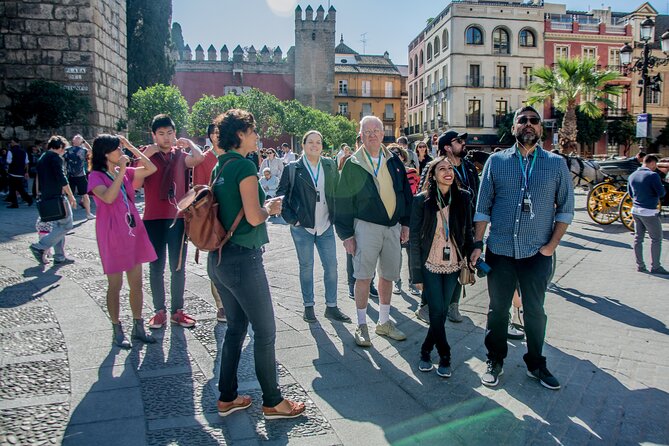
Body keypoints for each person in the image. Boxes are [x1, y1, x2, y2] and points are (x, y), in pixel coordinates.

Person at [208, 109, 305, 419]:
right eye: (252, 131)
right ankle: (273, 402)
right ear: (239, 135)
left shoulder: (219, 167)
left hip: (219, 260)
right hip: (243, 261)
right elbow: (253, 216)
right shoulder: (245, 168)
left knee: (235, 329)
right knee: (265, 331)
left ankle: (227, 396)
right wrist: (271, 208)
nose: (256, 136)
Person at [471, 106, 574, 390]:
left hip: (537, 252)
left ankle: (536, 363)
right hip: (500, 250)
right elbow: (483, 207)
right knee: (498, 310)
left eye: (534, 120)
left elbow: (566, 210)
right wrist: (478, 244)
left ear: (541, 128)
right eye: (522, 120)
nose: (528, 124)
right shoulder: (496, 161)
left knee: (535, 311)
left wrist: (551, 247)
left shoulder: (556, 164)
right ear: (514, 127)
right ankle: (495, 359)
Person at [335, 116, 413, 347]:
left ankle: (384, 322)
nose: (372, 134)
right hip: (365, 227)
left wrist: (406, 223)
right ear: (360, 135)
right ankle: (361, 326)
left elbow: (405, 194)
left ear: (382, 134)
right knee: (363, 277)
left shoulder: (394, 161)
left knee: (388, 276)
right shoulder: (353, 163)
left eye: (376, 130)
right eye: (367, 131)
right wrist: (346, 235)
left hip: (392, 227)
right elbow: (343, 201)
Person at [88, 134, 158, 348]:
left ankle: (138, 325)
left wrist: (131, 147)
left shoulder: (124, 171)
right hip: (111, 233)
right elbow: (108, 197)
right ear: (105, 154)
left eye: (121, 148)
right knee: (115, 284)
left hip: (132, 231)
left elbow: (150, 169)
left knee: (136, 283)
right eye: (117, 149)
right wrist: (119, 172)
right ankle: (117, 327)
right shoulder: (96, 176)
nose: (121, 152)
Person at [277, 130, 351, 324]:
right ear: (303, 145)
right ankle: (308, 306)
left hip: (325, 225)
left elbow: (336, 190)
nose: (315, 145)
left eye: (318, 142)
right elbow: (280, 196)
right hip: (303, 228)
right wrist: (293, 220)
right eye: (311, 142)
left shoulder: (329, 164)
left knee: (332, 267)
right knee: (306, 267)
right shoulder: (293, 168)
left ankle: (332, 306)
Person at [410, 157, 473, 377]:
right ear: (433, 175)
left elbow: (467, 231)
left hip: (454, 263)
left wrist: (473, 251)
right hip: (430, 263)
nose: (447, 172)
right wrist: (415, 275)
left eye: (450, 168)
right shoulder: (421, 201)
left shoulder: (463, 198)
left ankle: (426, 349)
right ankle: (445, 354)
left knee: (442, 311)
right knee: (436, 310)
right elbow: (414, 241)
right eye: (442, 168)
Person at [142, 114, 204, 330]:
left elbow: (198, 159)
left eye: (170, 133)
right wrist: (146, 155)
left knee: (177, 267)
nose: (166, 138)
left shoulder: (179, 155)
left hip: (177, 218)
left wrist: (191, 144)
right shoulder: (147, 155)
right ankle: (159, 311)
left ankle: (178, 310)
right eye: (161, 134)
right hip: (153, 219)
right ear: (153, 135)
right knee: (156, 267)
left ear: (175, 134)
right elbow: (135, 182)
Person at [438, 130, 480, 323]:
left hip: (468, 226)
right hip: (445, 227)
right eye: (459, 141)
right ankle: (430, 303)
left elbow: (479, 195)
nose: (464, 143)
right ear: (447, 147)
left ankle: (453, 305)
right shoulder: (437, 167)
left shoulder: (469, 167)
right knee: (441, 266)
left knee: (461, 265)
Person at [192, 123, 227, 323]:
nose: (218, 136)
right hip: (214, 217)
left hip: (231, 216)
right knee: (216, 262)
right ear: (210, 136)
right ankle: (221, 305)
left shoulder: (234, 155)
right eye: (215, 133)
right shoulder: (205, 160)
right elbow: (198, 191)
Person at [29, 136, 77, 265]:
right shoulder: (55, 158)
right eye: (64, 149)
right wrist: (71, 196)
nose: (64, 151)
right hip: (57, 197)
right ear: (60, 147)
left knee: (58, 226)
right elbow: (62, 179)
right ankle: (40, 246)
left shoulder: (42, 157)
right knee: (67, 225)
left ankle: (59, 256)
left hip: (47, 197)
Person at [388, 144, 421, 297]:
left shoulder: (412, 173)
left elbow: (414, 193)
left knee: (411, 251)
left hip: (411, 216)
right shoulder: (386, 175)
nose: (395, 156)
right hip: (395, 217)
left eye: (397, 153)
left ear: (403, 156)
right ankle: (397, 281)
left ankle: (413, 282)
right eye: (391, 153)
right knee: (396, 253)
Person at [628, 154, 668, 275]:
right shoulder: (653, 175)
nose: (655, 167)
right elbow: (661, 193)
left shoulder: (632, 175)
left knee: (638, 239)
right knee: (656, 239)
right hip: (649, 212)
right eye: (655, 165)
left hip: (635, 210)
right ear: (651, 163)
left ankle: (640, 265)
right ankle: (656, 266)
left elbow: (630, 194)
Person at [65, 135, 95, 218]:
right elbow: (91, 151)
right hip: (76, 175)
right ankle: (86, 214)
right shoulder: (73, 150)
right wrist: (85, 142)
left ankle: (86, 213)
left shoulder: (70, 150)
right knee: (80, 195)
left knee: (79, 195)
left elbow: (91, 151)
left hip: (76, 175)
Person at [6, 138, 33, 208]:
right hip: (20, 173)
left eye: (12, 142)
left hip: (12, 172)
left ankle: (15, 203)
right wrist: (26, 172)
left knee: (12, 188)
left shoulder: (10, 151)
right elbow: (27, 163)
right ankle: (28, 200)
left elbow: (9, 161)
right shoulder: (24, 152)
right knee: (20, 188)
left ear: (15, 142)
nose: (11, 144)